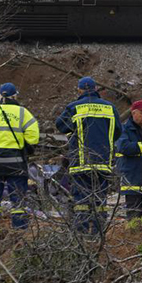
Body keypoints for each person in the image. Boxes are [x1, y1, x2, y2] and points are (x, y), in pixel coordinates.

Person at [56, 77, 121, 233]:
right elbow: (118, 131)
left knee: (81, 200)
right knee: (100, 200)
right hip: (103, 162)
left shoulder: (74, 107)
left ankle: (82, 235)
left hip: (80, 162)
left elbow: (60, 126)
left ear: (79, 90)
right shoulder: (110, 108)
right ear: (96, 89)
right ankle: (98, 235)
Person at [0, 83, 39, 229]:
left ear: (0, 95)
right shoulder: (23, 113)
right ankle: (20, 232)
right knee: (18, 200)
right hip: (16, 162)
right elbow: (33, 136)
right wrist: (25, 147)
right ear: (15, 96)